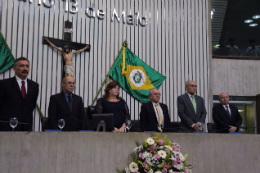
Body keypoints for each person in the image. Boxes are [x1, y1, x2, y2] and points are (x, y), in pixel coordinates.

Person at [0, 57, 39, 131]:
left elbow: (31, 105)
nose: (25, 68)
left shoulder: (34, 86)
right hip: (7, 127)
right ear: (14, 68)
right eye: (21, 66)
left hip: (26, 126)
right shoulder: (4, 84)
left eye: (27, 66)